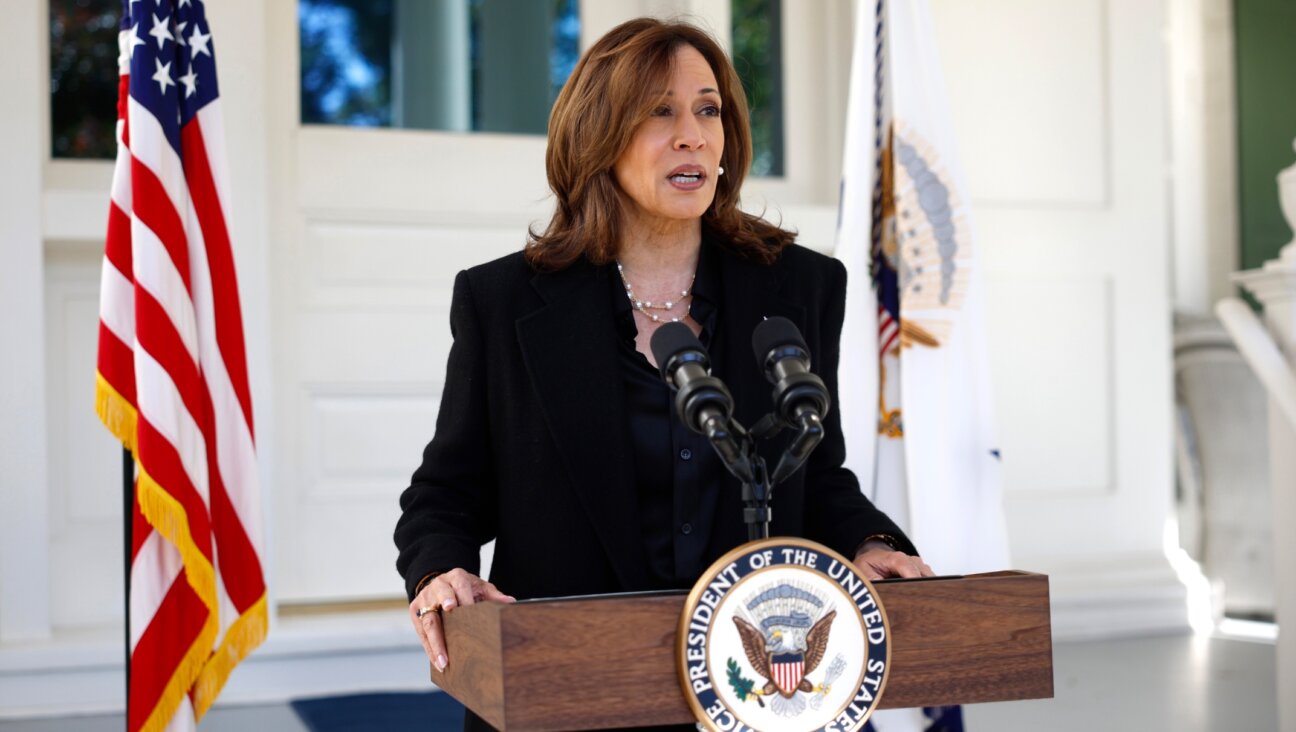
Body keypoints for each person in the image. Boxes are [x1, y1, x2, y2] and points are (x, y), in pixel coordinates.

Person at [394, 17, 933, 729]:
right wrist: (441, 570)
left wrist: (872, 542)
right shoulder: (503, 302)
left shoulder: (800, 288)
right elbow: (447, 494)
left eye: (708, 109)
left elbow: (813, 472)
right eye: (660, 112)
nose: (693, 135)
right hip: (572, 686)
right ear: (599, 134)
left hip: (761, 695)